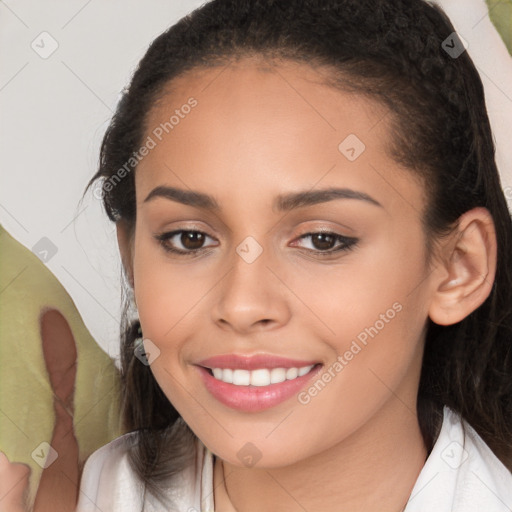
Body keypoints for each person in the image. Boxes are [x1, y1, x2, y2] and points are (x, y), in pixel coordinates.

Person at [76, 0, 512, 510]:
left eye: (322, 240)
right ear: (131, 255)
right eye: (189, 238)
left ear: (459, 267)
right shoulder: (74, 491)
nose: (241, 304)